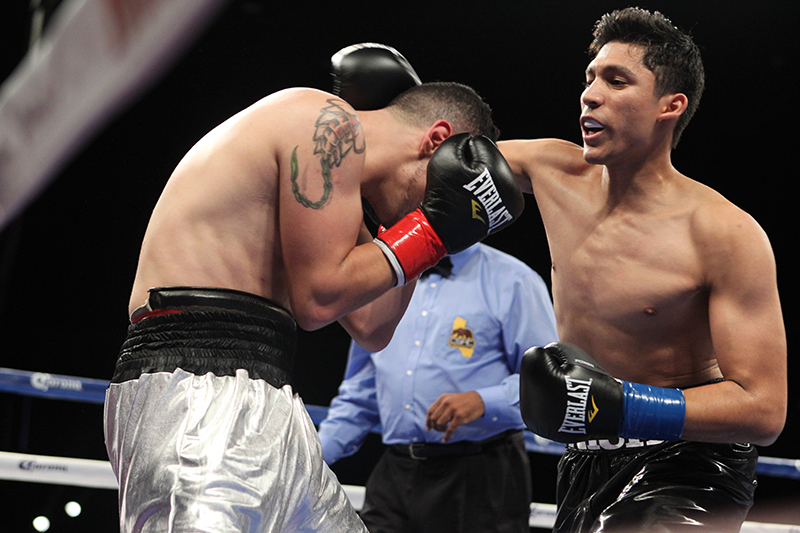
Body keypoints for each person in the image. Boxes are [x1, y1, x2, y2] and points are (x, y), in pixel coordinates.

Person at [102, 69, 525, 533]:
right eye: (444, 186)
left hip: (268, 390)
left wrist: (435, 234)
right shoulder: (324, 120)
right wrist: (432, 229)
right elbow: (319, 299)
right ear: (436, 140)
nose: (434, 204)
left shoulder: (342, 192)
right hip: (193, 384)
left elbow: (374, 326)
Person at [497, 7, 787, 532]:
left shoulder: (723, 232)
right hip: (586, 458)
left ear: (669, 106)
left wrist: (623, 405)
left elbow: (764, 409)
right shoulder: (550, 170)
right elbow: (434, 162)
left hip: (691, 464)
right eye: (590, 78)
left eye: (616, 80)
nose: (590, 94)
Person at [318, 242, 559, 533]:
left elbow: (549, 382)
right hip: (397, 471)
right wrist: (312, 457)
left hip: (480, 473)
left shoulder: (514, 280)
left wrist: (485, 401)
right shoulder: (386, 279)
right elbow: (361, 394)